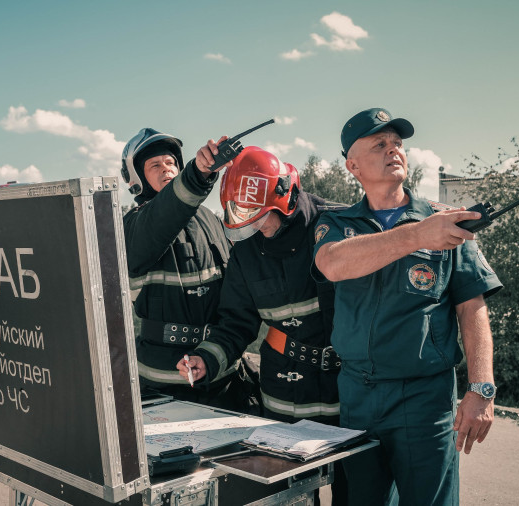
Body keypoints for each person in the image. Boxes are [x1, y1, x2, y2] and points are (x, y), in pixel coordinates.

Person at [312, 107, 503, 506]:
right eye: (379, 144)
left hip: (424, 398)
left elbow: (473, 307)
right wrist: (417, 235)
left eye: (398, 143)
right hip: (357, 395)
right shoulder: (337, 223)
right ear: (352, 164)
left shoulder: (444, 221)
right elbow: (332, 263)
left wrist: (481, 387)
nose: (394, 150)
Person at [177, 145, 349, 504]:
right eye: (243, 216)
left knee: (358, 492)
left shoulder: (337, 225)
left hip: (348, 391)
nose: (254, 226)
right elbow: (237, 323)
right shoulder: (247, 247)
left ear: (284, 196)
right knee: (288, 497)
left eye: (259, 215)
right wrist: (206, 359)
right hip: (284, 394)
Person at [121, 128, 240, 408]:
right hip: (163, 384)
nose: (166, 169)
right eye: (155, 165)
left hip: (221, 374)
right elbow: (163, 215)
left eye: (172, 162)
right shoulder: (134, 225)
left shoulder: (211, 220)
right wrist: (198, 173)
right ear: (137, 178)